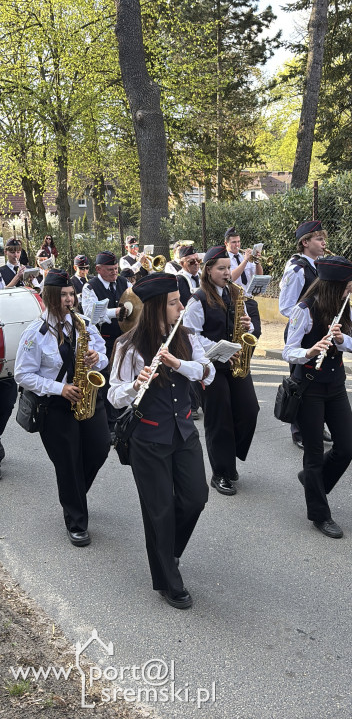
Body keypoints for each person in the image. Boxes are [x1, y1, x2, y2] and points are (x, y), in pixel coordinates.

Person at [108, 272, 215, 609]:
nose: (181, 307)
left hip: (184, 431)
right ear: (156, 307)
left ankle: (168, 551)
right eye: (173, 303)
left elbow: (208, 372)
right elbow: (113, 395)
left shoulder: (186, 336)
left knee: (195, 497)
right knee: (160, 511)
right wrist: (135, 385)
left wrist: (178, 364)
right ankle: (169, 580)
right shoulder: (127, 346)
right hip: (148, 438)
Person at [14, 268, 110, 545]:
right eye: (63, 295)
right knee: (68, 463)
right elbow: (22, 374)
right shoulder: (35, 332)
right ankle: (76, 520)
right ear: (50, 297)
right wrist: (60, 389)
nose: (70, 300)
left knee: (100, 449)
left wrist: (96, 357)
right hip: (54, 406)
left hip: (87, 397)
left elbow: (104, 356)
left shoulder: (83, 324)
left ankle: (75, 495)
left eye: (71, 294)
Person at [283, 256, 352, 539]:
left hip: (336, 385)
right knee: (314, 454)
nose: (351, 289)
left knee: (346, 449)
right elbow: (288, 351)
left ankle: (312, 483)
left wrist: (341, 340)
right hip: (310, 387)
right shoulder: (304, 310)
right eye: (347, 285)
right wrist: (310, 352)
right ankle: (320, 514)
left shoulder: (343, 306)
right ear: (333, 286)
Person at [183, 245, 260, 495]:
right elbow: (191, 337)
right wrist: (220, 347)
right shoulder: (197, 300)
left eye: (228, 268)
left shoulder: (235, 293)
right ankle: (221, 473)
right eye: (222, 268)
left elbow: (246, 326)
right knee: (219, 420)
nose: (228, 273)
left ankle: (229, 458)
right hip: (210, 365)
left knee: (249, 410)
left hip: (235, 362)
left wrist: (247, 325)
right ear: (208, 270)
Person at [278, 219, 331, 449]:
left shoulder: (319, 266)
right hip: (301, 332)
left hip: (319, 331)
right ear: (305, 242)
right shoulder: (297, 269)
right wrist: (306, 319)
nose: (323, 243)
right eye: (319, 239)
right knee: (300, 384)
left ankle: (317, 425)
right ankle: (299, 430)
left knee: (319, 382)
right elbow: (286, 307)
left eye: (323, 238)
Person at [81, 251, 129, 438]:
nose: (114, 272)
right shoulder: (90, 287)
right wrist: (114, 312)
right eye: (110, 269)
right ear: (98, 269)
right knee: (107, 381)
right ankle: (110, 425)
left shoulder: (124, 283)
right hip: (105, 341)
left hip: (124, 339)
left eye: (116, 268)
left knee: (124, 377)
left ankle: (123, 419)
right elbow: (89, 314)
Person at [176, 245, 202, 419]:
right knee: (189, 362)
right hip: (185, 326)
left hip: (200, 325)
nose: (196, 264)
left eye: (197, 260)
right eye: (191, 262)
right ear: (182, 263)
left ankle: (201, 401)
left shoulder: (201, 276)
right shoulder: (179, 280)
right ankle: (192, 405)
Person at [224, 226, 263, 338]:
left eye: (238, 241)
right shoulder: (225, 259)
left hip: (249, 300)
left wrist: (257, 261)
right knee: (240, 334)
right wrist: (245, 260)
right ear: (226, 243)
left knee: (256, 332)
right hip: (235, 302)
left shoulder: (243, 257)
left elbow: (259, 275)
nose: (237, 245)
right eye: (234, 242)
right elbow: (231, 278)